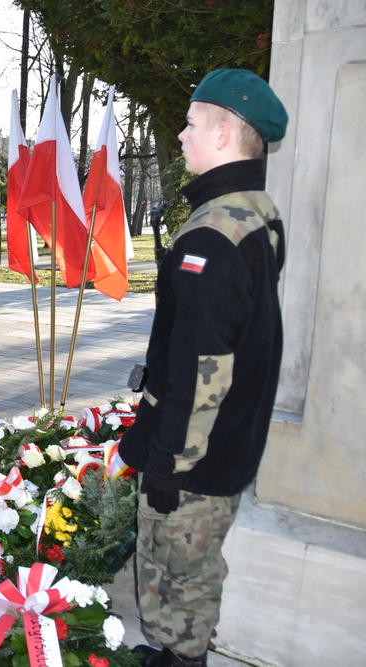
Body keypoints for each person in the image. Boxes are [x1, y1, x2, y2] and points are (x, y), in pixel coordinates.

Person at [119, 69, 288, 667]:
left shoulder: (211, 238)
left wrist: (168, 461)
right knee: (186, 571)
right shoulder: (256, 213)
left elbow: (202, 366)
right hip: (226, 441)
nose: (183, 135)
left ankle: (181, 658)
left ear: (222, 133)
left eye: (192, 125)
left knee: (181, 573)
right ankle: (172, 654)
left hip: (196, 453)